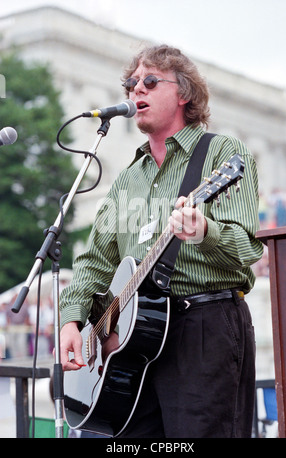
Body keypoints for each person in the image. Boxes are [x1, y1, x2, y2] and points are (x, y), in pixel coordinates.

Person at [59, 44, 263, 438]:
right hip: (133, 344)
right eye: (131, 84)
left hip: (203, 327)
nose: (137, 90)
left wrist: (204, 232)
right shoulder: (127, 179)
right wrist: (72, 319)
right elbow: (95, 262)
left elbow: (245, 249)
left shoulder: (222, 153)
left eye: (150, 81)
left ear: (184, 92)